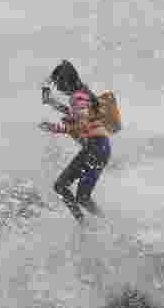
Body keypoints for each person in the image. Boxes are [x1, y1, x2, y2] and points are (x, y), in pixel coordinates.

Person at [38, 60, 111, 223]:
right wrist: (51, 102)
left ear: (65, 81)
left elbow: (81, 122)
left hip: (94, 148)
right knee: (83, 197)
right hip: (101, 148)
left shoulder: (77, 97)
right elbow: (76, 113)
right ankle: (107, 225)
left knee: (60, 187)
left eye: (58, 83)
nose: (57, 88)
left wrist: (54, 128)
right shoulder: (82, 93)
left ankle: (84, 226)